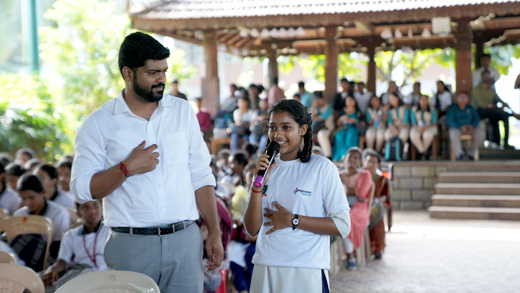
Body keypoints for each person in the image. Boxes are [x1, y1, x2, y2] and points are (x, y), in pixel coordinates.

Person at [70, 32, 223, 292]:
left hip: (186, 240)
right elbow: (82, 189)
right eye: (152, 72)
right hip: (131, 245)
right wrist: (126, 168)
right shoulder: (98, 123)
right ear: (128, 74)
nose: (161, 79)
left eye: (164, 71)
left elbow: (200, 174)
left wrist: (215, 231)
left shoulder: (182, 111)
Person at [244, 99, 351, 292]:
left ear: (302, 129)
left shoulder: (321, 168)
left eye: (286, 127)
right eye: (272, 128)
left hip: (305, 270)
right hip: (265, 266)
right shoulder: (265, 170)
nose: (277, 135)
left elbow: (343, 225)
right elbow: (252, 229)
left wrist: (293, 220)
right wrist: (256, 186)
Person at [42, 200, 109, 293]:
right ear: (78, 214)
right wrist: (53, 268)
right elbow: (62, 260)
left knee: (83, 276)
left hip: (99, 274)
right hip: (78, 271)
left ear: (102, 207)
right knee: (36, 279)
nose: (93, 211)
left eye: (95, 205)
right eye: (86, 208)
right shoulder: (71, 234)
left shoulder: (109, 231)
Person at [14, 174, 70, 262]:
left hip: (49, 260)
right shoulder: (19, 214)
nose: (27, 202)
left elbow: (58, 247)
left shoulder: (59, 213)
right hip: (21, 259)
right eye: (23, 198)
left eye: (31, 197)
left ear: (43, 193)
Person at [339, 147, 372, 270]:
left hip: (359, 208)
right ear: (345, 158)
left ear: (360, 161)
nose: (352, 160)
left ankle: (349, 255)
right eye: (350, 157)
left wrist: (345, 190)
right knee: (337, 216)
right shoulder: (338, 174)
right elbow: (332, 194)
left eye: (356, 158)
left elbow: (362, 193)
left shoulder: (365, 174)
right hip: (341, 206)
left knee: (347, 218)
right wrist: (353, 192)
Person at [472, 70, 520, 149]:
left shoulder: (491, 90)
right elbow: (481, 105)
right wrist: (493, 106)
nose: (487, 78)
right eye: (485, 76)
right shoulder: (476, 89)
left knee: (504, 116)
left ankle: (505, 143)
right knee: (497, 112)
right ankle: (513, 115)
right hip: (480, 112)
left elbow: (500, 101)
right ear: (481, 77)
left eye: (488, 75)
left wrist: (511, 110)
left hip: (492, 112)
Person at [362, 149, 390, 260]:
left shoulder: (382, 180)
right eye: (369, 161)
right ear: (364, 162)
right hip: (360, 205)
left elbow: (385, 197)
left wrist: (374, 201)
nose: (371, 164)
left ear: (378, 165)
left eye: (374, 162)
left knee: (377, 211)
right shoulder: (360, 176)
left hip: (375, 205)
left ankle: (377, 248)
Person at [447, 91, 485, 160]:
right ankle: (460, 154)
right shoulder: (453, 109)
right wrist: (460, 127)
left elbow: (477, 119)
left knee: (481, 134)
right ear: (457, 98)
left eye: (465, 98)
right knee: (452, 133)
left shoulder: (471, 108)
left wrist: (472, 126)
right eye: (461, 97)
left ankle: (470, 152)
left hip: (470, 128)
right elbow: (449, 121)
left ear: (468, 99)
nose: (463, 99)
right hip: (458, 128)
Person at [332, 96, 361, 161]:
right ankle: (340, 156)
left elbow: (362, 123)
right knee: (339, 135)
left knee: (350, 136)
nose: (349, 102)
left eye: (351, 100)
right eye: (347, 101)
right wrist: (341, 119)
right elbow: (337, 124)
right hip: (342, 128)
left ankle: (350, 156)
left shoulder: (358, 112)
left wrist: (354, 121)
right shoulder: (342, 111)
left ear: (354, 101)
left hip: (353, 128)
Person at [410, 95, 438, 159]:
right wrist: (418, 128)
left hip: (429, 127)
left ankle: (422, 152)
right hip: (417, 127)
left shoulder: (432, 109)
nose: (423, 101)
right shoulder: (414, 109)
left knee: (427, 135)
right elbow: (413, 122)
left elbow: (434, 122)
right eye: (422, 99)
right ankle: (422, 151)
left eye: (425, 100)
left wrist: (425, 128)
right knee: (413, 135)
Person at [310, 91, 333, 159]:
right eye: (316, 100)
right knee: (308, 135)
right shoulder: (314, 108)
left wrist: (313, 116)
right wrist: (314, 106)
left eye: (319, 99)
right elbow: (310, 118)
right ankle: (313, 156)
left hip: (327, 128)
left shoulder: (328, 108)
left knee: (321, 134)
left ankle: (328, 156)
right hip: (315, 129)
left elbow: (319, 118)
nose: (318, 101)